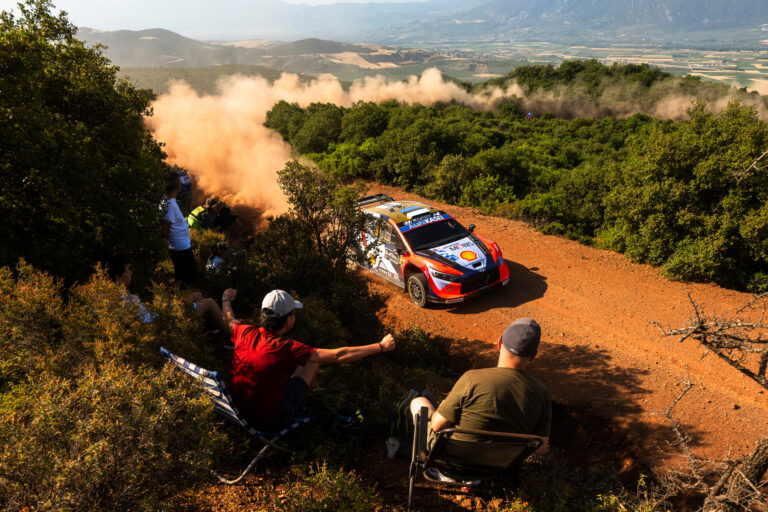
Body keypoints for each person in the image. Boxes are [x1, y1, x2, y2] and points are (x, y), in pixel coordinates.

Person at [220, 287, 396, 430]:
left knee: (292, 365)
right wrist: (381, 346)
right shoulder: (286, 348)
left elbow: (229, 320)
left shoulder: (244, 332)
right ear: (288, 320)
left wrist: (226, 299)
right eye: (294, 314)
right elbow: (338, 355)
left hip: (237, 410)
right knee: (312, 363)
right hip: (268, 422)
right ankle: (298, 407)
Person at [410, 318, 551, 455]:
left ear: (499, 342)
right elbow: (540, 448)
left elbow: (437, 425)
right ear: (533, 356)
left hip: (451, 462)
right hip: (498, 469)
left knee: (419, 402)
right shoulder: (542, 394)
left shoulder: (472, 379)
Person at [107, 254, 225, 331]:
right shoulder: (124, 300)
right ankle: (231, 335)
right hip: (165, 321)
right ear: (118, 277)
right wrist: (169, 315)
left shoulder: (120, 295)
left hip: (161, 313)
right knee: (209, 302)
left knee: (197, 296)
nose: (131, 273)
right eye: (127, 271)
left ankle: (213, 327)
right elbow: (146, 326)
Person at [161, 171, 197, 286]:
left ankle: (186, 300)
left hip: (180, 248)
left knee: (186, 279)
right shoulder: (170, 204)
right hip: (181, 250)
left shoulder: (167, 201)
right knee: (188, 280)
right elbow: (166, 228)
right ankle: (187, 303)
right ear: (177, 185)